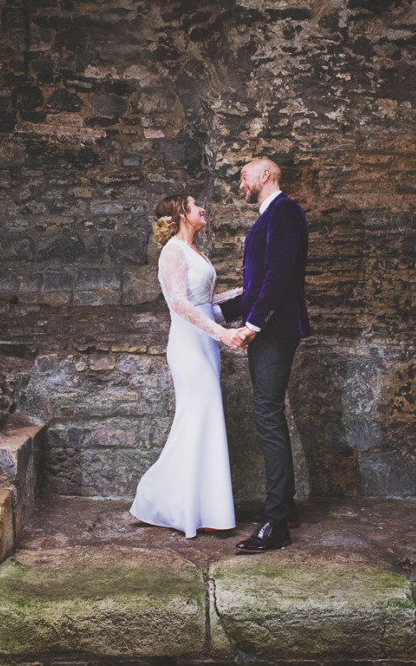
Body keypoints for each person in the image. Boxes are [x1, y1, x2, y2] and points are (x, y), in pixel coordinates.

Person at [129, 193, 245, 538]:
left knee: (204, 421)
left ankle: (205, 509)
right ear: (181, 215)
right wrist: (223, 334)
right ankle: (155, 497)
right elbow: (179, 304)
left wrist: (241, 294)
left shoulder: (195, 251)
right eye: (195, 205)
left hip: (205, 344)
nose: (202, 209)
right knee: (196, 418)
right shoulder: (172, 253)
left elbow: (205, 304)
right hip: (188, 347)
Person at [217, 158, 310, 554]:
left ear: (265, 175)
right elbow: (256, 286)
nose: (241, 182)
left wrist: (253, 325)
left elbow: (278, 276)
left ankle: (276, 524)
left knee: (267, 415)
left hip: (276, 330)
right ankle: (284, 507)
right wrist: (215, 310)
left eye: (245, 175)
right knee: (268, 414)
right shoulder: (266, 217)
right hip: (267, 327)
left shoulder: (285, 211)